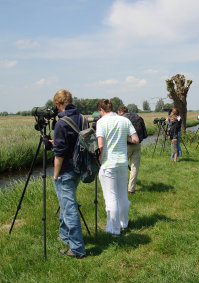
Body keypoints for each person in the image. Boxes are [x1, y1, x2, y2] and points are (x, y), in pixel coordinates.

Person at [96, 99, 139, 237]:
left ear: (101, 110)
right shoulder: (124, 120)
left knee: (110, 198)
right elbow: (135, 139)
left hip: (108, 164)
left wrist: (99, 160)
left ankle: (113, 230)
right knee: (122, 196)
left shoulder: (101, 122)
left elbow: (100, 145)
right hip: (122, 163)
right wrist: (122, 138)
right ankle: (124, 223)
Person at [52, 89, 86, 259]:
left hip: (65, 171)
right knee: (66, 205)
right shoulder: (81, 118)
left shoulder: (60, 124)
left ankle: (77, 248)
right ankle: (64, 236)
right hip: (79, 169)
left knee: (69, 208)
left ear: (59, 104)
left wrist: (55, 175)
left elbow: (59, 154)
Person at [117, 105, 148, 194]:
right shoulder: (138, 117)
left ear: (119, 112)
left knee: (121, 167)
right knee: (134, 168)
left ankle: (120, 188)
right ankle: (131, 189)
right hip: (137, 145)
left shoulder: (121, 119)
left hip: (125, 146)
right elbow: (145, 134)